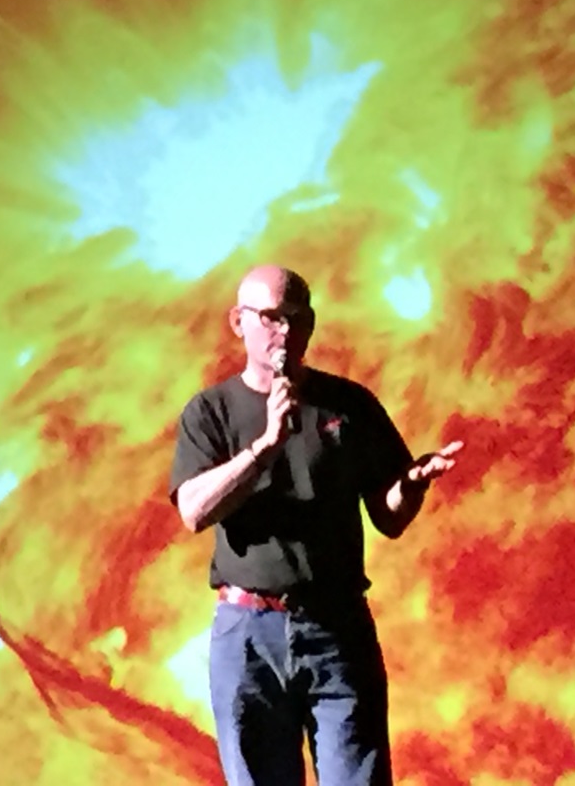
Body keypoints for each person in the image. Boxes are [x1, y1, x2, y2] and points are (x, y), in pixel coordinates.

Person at [169, 264, 462, 786]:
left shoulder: (348, 405)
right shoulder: (210, 412)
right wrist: (263, 449)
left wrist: (412, 485)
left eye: (297, 319)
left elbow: (388, 516)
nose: (284, 332)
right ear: (239, 322)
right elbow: (193, 510)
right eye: (271, 318)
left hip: (336, 630)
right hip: (248, 634)